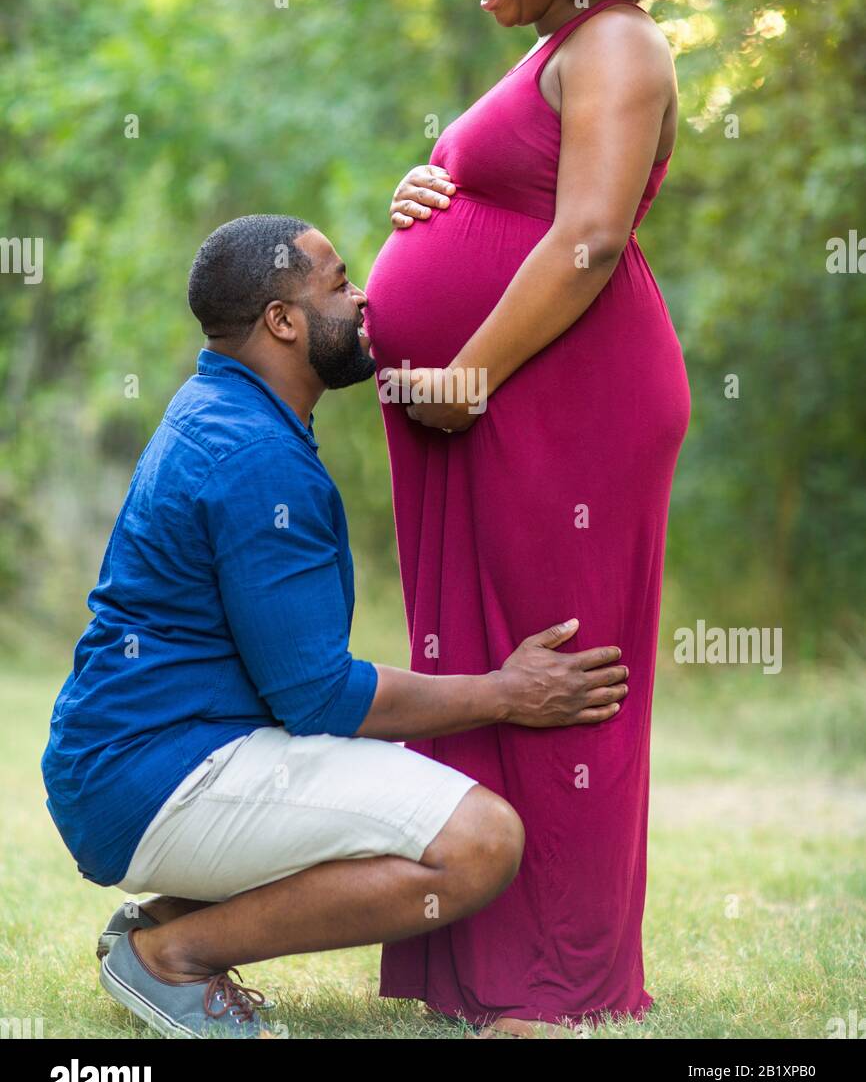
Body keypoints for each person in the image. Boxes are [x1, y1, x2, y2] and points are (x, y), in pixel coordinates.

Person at [40, 214, 627, 1040]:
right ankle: (171, 957)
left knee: (408, 783)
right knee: (479, 842)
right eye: (342, 283)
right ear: (283, 321)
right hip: (152, 775)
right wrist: (506, 692)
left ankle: (163, 921)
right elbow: (319, 695)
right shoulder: (254, 455)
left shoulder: (228, 405)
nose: (366, 301)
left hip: (138, 762)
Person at [364, 0, 695, 1036]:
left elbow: (592, 236)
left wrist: (472, 372)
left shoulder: (618, 44)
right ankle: (480, 962)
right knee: (497, 665)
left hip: (568, 405)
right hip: (506, 398)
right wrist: (426, 188)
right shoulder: (554, 45)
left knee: (565, 671)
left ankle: (555, 986)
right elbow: (518, 194)